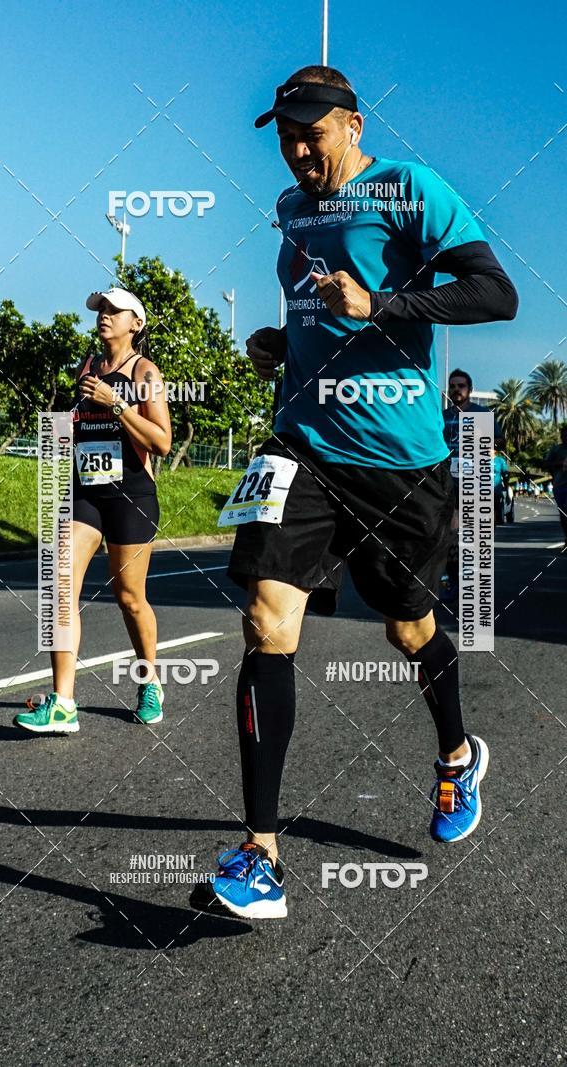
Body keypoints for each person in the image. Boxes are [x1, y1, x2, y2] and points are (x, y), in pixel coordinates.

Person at [190, 65, 518, 921]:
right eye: (287, 135)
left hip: (398, 461)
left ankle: (456, 754)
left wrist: (380, 304)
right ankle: (259, 854)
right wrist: (280, 340)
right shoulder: (294, 210)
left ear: (353, 124)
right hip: (302, 445)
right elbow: (312, 310)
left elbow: (495, 292)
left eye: (313, 131)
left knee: (410, 627)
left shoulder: (410, 189)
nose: (299, 148)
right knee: (267, 618)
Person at [15, 288, 171, 735]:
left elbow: (162, 442)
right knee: (58, 582)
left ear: (134, 324)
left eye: (114, 310)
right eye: (101, 310)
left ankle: (150, 681)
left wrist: (117, 404)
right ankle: (63, 702)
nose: (104, 316)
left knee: (130, 599)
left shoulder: (145, 372)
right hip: (86, 493)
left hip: (131, 497)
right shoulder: (86, 368)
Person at [441, 370, 500, 600]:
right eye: (453, 386)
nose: (457, 389)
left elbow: (492, 447)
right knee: (449, 534)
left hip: (473, 484)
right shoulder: (442, 417)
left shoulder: (482, 414)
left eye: (461, 385)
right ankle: (452, 579)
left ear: (470, 389)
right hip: (446, 484)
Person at [545, 427, 567, 544]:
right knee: (563, 514)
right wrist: (558, 464)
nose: (565, 438)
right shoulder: (556, 449)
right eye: (563, 435)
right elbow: (547, 463)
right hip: (560, 485)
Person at [493, 438, 510, 524]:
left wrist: (506, 490)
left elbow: (506, 476)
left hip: (496, 490)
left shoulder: (500, 461)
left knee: (496, 512)